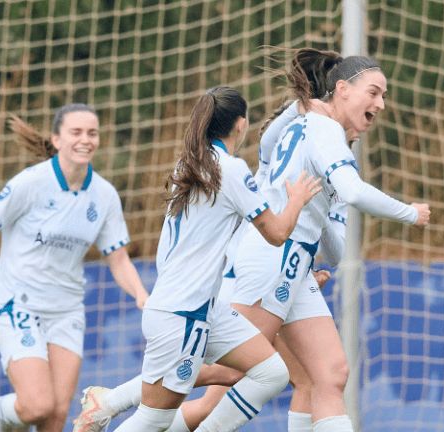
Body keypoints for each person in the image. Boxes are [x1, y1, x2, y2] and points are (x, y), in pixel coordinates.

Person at [72, 98, 346, 432]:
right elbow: (276, 234)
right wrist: (296, 201)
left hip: (205, 309)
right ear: (241, 125)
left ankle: (114, 402)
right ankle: (107, 403)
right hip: (184, 311)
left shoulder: (188, 166)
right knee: (154, 419)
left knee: (271, 372)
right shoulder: (230, 169)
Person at [226, 48, 430, 432]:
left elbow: (333, 251)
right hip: (273, 257)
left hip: (294, 265)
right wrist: (410, 212)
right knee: (225, 371)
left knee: (329, 373)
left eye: (383, 96)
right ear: (341, 90)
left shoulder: (302, 128)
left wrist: (321, 214)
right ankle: (121, 400)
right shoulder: (324, 130)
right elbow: (352, 192)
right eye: (374, 93)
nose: (381, 105)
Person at [0, 103, 150, 432]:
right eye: (76, 132)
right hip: (18, 304)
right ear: (57, 140)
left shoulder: (104, 195)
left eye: (92, 133)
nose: (85, 140)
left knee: (56, 415)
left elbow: (119, 258)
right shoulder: (32, 182)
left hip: (67, 312)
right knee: (37, 405)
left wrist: (141, 294)